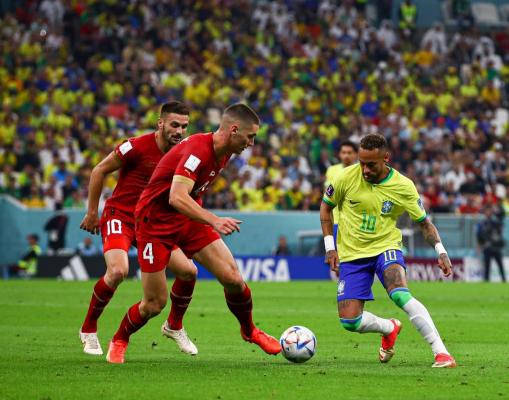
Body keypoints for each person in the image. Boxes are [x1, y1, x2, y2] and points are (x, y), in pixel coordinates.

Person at [106, 103, 281, 363]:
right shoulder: (198, 151)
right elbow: (176, 197)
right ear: (234, 130)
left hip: (187, 218)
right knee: (154, 304)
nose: (252, 143)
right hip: (154, 223)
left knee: (233, 278)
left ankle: (249, 330)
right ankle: (120, 339)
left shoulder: (226, 150)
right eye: (250, 136)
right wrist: (214, 220)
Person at [320, 134, 456, 368]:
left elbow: (424, 222)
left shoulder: (403, 186)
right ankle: (389, 327)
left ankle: (441, 352)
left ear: (386, 158)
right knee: (350, 321)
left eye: (370, 164)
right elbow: (325, 209)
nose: (364, 169)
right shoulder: (344, 177)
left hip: (386, 246)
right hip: (352, 254)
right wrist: (330, 248)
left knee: (400, 293)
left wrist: (441, 251)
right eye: (361, 163)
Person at [79, 101, 199, 357]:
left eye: (184, 126)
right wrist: (92, 212)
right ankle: (89, 329)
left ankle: (174, 326)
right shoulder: (135, 146)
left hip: (151, 224)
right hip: (120, 216)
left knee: (188, 271)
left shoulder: (183, 154)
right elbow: (100, 170)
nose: (179, 131)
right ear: (161, 123)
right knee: (118, 271)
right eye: (175, 124)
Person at [325, 141, 358, 244]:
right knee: (336, 255)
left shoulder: (361, 171)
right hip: (336, 221)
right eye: (343, 152)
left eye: (349, 152)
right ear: (339, 154)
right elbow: (327, 194)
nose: (346, 156)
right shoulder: (331, 170)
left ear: (356, 154)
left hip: (355, 222)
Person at [477, 204, 506, 282]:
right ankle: (486, 281)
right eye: (487, 211)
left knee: (500, 265)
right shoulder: (482, 223)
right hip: (487, 247)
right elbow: (479, 235)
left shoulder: (496, 221)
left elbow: (502, 215)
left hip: (496, 247)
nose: (488, 212)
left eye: (490, 211)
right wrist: (479, 245)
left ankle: (504, 280)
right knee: (487, 266)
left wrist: (496, 211)